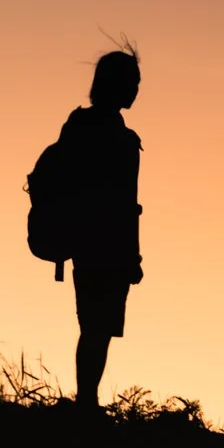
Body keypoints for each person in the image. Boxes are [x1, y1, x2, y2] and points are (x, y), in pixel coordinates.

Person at [59, 46, 143, 409]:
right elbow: (125, 204)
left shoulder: (78, 125)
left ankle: (86, 400)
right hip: (106, 244)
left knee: (94, 326)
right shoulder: (119, 137)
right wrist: (133, 256)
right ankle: (87, 403)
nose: (136, 90)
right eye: (133, 83)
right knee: (98, 327)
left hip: (84, 240)